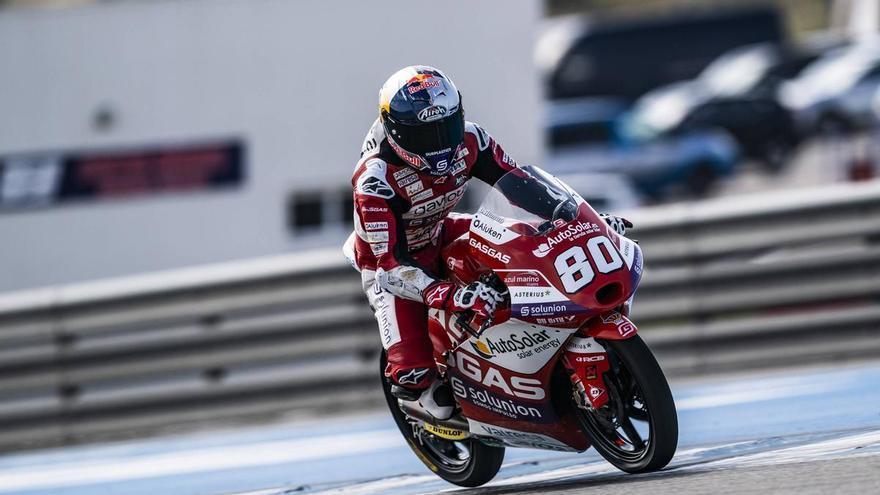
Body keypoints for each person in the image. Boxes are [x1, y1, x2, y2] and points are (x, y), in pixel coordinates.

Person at [343, 66, 630, 419]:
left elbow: (522, 186)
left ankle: (532, 346)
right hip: (391, 267)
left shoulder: (472, 140)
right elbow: (391, 266)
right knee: (414, 377)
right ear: (395, 129)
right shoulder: (375, 181)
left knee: (526, 245)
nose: (438, 143)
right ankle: (424, 399)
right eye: (424, 135)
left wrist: (586, 223)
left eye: (444, 128)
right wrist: (449, 294)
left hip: (442, 230)